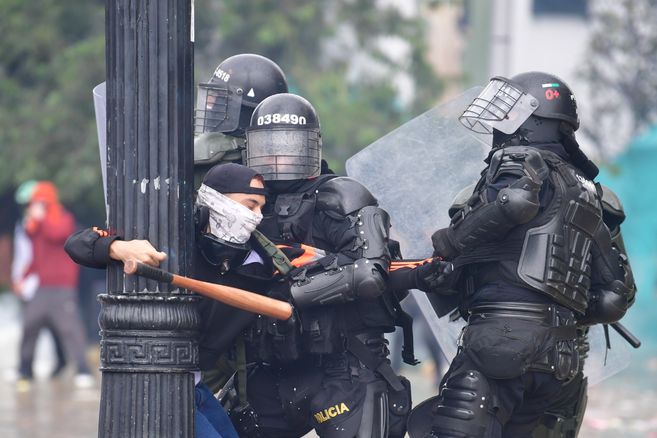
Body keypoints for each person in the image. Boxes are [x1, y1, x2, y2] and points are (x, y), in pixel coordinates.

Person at [413, 72, 636, 437]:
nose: (500, 128)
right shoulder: (594, 195)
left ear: (535, 121)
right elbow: (615, 298)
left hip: (498, 343)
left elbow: (501, 213)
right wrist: (560, 311)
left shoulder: (519, 163)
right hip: (564, 359)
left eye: (510, 115)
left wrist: (446, 245)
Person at [238, 92, 451, 438]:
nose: (280, 157)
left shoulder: (339, 196)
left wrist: (293, 291)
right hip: (273, 363)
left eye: (290, 145)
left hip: (346, 364)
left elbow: (370, 273)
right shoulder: (247, 203)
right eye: (270, 146)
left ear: (311, 146)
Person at [65, 162, 275, 438]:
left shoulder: (258, 263)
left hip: (197, 383)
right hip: (158, 384)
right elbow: (76, 244)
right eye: (249, 205)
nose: (256, 217)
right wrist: (118, 247)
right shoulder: (172, 238)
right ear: (218, 201)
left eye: (261, 208)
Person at [16, 181, 93, 390]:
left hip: (62, 287)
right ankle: (24, 371)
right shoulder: (35, 224)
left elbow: (57, 235)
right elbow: (35, 256)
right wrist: (23, 278)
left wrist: (41, 219)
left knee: (71, 330)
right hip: (40, 287)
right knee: (29, 326)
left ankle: (83, 370)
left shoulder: (63, 219)